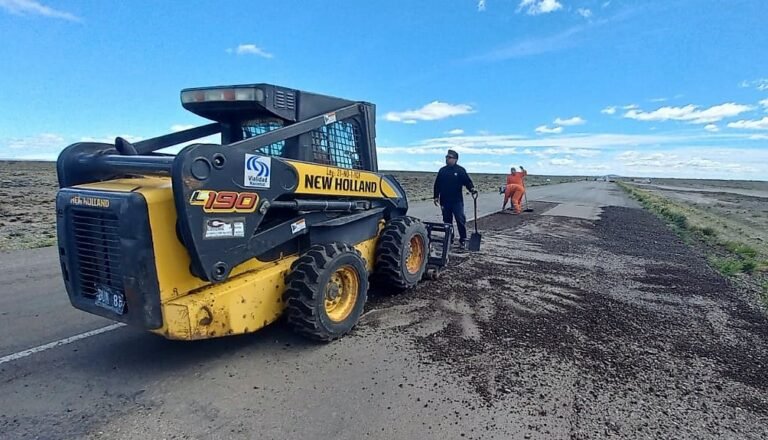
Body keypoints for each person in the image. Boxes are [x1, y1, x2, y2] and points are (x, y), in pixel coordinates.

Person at [433, 149, 477, 248]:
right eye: (446, 157)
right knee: (447, 221)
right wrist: (436, 196)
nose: (447, 159)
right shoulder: (442, 170)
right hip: (445, 200)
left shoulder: (460, 170)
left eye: (449, 157)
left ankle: (463, 239)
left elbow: (467, 182)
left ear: (455, 159)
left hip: (457, 201)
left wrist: (472, 189)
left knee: (460, 219)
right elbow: (437, 184)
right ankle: (449, 238)